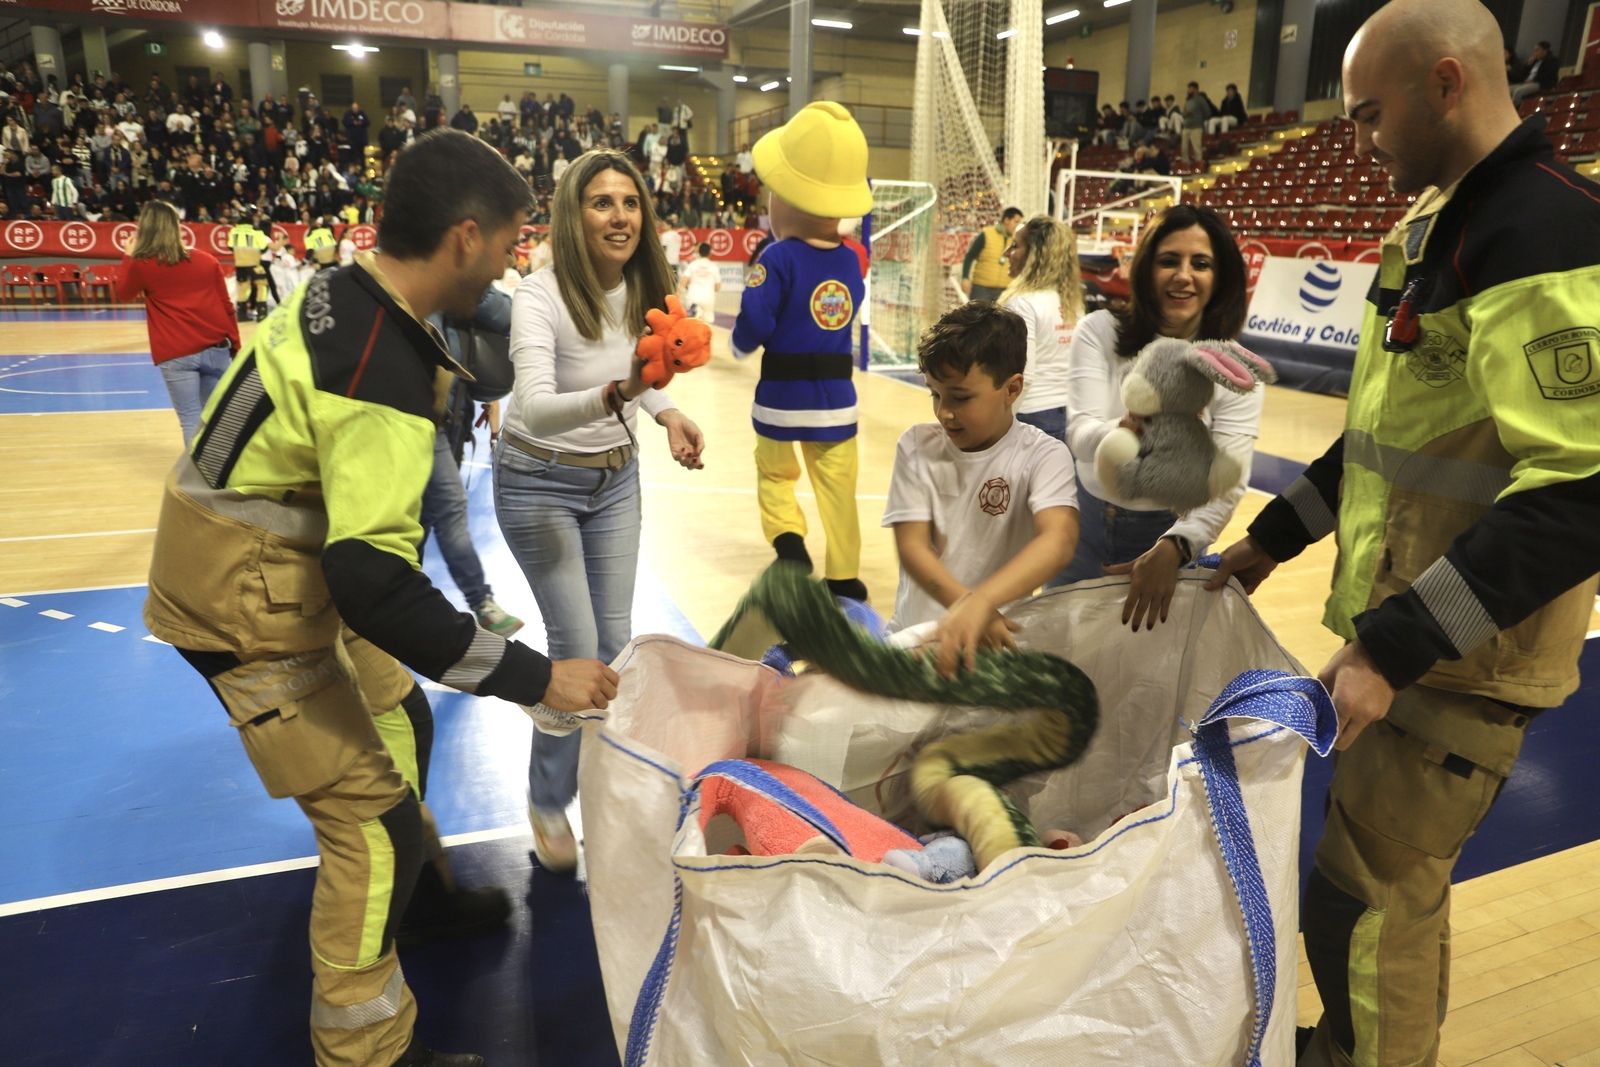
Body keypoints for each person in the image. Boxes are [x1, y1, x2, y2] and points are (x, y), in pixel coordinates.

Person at [141, 128, 621, 1067]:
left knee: (405, 711)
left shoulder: (343, 289)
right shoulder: (381, 378)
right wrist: (536, 679)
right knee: (375, 824)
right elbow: (373, 583)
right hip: (237, 597)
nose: (511, 264)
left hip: (277, 561)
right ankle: (367, 1048)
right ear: (464, 239)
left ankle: (423, 905)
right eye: (509, 245)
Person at [1207, 2, 1600, 1062]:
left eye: (1369, 115)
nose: (1359, 141)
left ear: (1443, 84)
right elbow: (1379, 442)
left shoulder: (1550, 232)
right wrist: (1270, 539)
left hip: (1464, 656)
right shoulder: (1424, 229)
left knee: (1366, 905)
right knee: (1364, 892)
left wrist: (1393, 643)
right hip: (1413, 635)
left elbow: (1581, 489)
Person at [496, 147, 706, 874]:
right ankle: (549, 799)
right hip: (536, 481)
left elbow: (645, 377)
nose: (619, 216)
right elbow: (531, 406)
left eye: (628, 202)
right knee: (578, 648)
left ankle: (609, 795)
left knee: (614, 643)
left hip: (614, 480)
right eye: (601, 202)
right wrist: (617, 394)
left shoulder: (646, 284)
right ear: (572, 213)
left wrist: (668, 411)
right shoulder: (539, 294)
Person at [1060, 203, 1259, 631]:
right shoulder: (1101, 331)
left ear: (1220, 277)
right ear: (1147, 269)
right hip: (1081, 526)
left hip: (1167, 537)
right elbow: (1079, 431)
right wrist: (1123, 430)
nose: (1183, 275)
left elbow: (1230, 478)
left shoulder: (1233, 367)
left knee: (1142, 677)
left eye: (1200, 264)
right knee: (1057, 660)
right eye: (1169, 260)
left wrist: (1175, 547)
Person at [884, 302, 1079, 677]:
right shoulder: (916, 446)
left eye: (960, 397)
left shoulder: (1044, 456)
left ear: (1012, 389)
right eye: (935, 395)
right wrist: (970, 606)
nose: (944, 412)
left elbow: (1059, 540)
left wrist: (983, 605)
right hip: (914, 642)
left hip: (992, 652)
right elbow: (912, 546)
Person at [731, 101, 872, 601]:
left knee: (774, 473)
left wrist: (740, 342)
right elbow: (844, 310)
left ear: (787, 200)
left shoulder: (777, 257)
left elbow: (757, 318)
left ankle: (790, 542)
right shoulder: (853, 264)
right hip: (837, 397)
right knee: (838, 488)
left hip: (782, 397)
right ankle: (844, 578)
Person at [424, 287, 524, 638]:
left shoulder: (467, 290)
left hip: (453, 423)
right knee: (449, 509)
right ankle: (481, 601)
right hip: (421, 424)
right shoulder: (419, 292)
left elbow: (508, 313)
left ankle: (403, 602)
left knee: (420, 522)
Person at [114, 199, 240, 443]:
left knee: (191, 416)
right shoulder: (207, 260)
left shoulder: (142, 265)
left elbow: (122, 294)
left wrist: (128, 256)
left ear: (145, 229)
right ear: (176, 226)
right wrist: (235, 343)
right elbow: (227, 307)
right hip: (216, 348)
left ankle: (195, 476)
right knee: (218, 417)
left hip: (176, 353)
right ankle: (223, 472)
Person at [997, 215, 1084, 443]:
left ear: (1034, 255)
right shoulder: (1072, 302)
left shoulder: (1022, 303)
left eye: (1015, 246)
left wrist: (1000, 421)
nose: (1007, 253)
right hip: (1070, 415)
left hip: (1032, 416)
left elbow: (1025, 374)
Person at [959, 206, 1023, 303]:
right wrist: (965, 278)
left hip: (1005, 290)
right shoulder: (986, 234)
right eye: (1016, 221)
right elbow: (970, 256)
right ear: (1006, 220)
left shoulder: (1017, 239)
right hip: (981, 288)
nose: (1018, 225)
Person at [226, 211, 272, 320]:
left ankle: (242, 315)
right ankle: (261, 313)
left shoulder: (233, 232)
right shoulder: (256, 232)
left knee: (242, 289)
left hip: (240, 265)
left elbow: (230, 247)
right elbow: (264, 248)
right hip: (254, 264)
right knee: (262, 286)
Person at [679, 240, 720, 324]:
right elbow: (717, 287)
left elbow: (683, 282)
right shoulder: (713, 266)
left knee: (692, 323)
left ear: (699, 252)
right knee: (707, 324)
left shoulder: (693, 264)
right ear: (710, 253)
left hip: (693, 297)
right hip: (708, 298)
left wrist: (678, 294)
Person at [1510, 39, 1559, 104]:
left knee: (1518, 92)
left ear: (1545, 51)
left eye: (1537, 50)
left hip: (1540, 83)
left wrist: (1533, 80)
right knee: (1509, 89)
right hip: (1528, 82)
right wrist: (1527, 65)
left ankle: (1518, 109)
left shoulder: (1552, 61)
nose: (1534, 52)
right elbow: (1523, 74)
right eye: (1534, 50)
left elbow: (1548, 75)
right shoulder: (1535, 61)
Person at [1180, 81, 1210, 164]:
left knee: (1197, 148)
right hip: (1186, 127)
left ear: (1195, 89)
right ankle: (1185, 165)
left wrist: (1198, 117)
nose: (1188, 90)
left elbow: (1207, 112)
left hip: (1196, 127)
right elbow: (1184, 112)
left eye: (1190, 88)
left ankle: (1199, 165)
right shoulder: (1188, 100)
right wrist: (1185, 114)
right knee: (1184, 149)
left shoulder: (1200, 99)